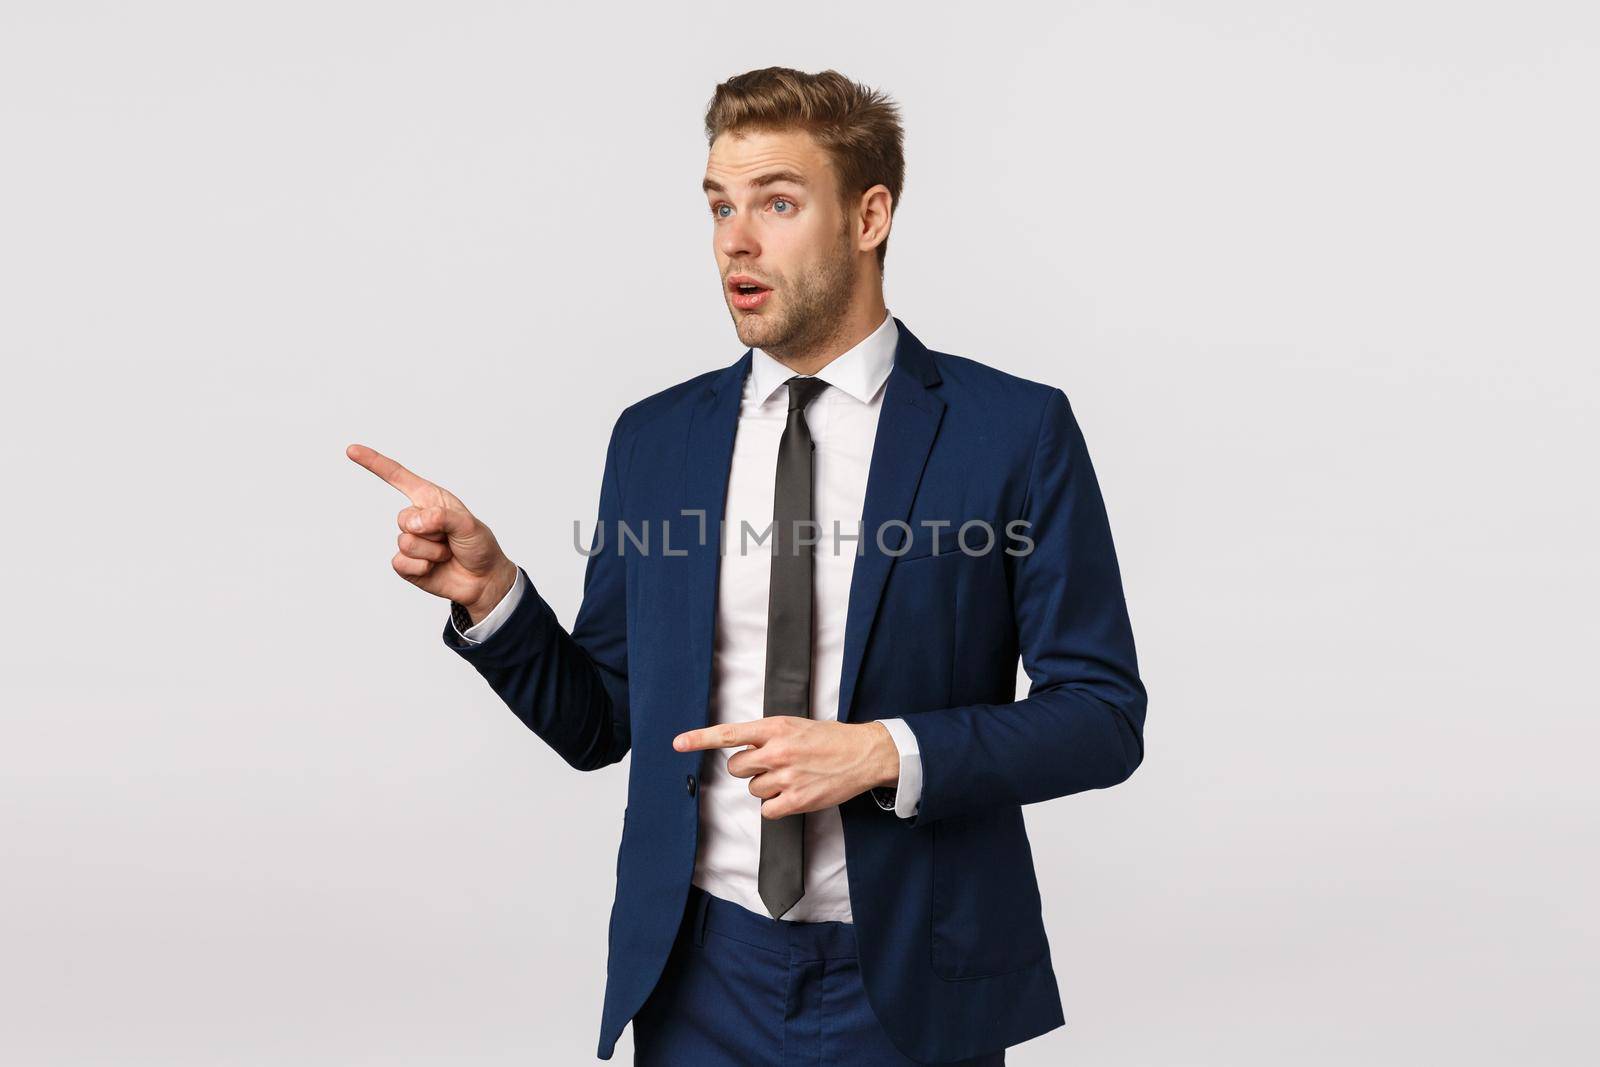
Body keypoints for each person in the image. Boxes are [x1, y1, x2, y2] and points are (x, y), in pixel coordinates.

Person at [348, 66, 1146, 1066]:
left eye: (776, 201)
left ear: (867, 216)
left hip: (910, 977)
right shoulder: (655, 439)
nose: (735, 238)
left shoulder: (1012, 431)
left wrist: (883, 751)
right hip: (697, 977)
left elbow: (1102, 714)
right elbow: (604, 722)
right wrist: (493, 594)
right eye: (720, 205)